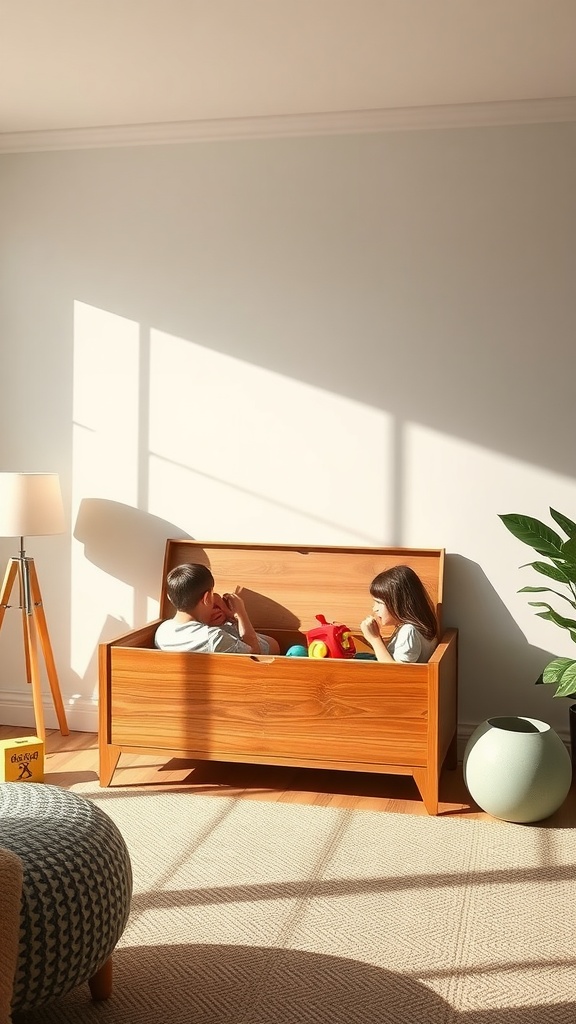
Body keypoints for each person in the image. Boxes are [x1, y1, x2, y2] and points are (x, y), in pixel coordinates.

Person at [154, 562, 280, 655]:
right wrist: (240, 614)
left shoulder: (162, 631)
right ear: (207, 598)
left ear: (170, 597)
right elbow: (255, 656)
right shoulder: (214, 637)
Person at [360, 565, 438, 663]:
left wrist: (374, 639)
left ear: (400, 603)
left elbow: (395, 673)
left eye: (379, 603)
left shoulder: (409, 632)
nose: (375, 609)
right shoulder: (414, 628)